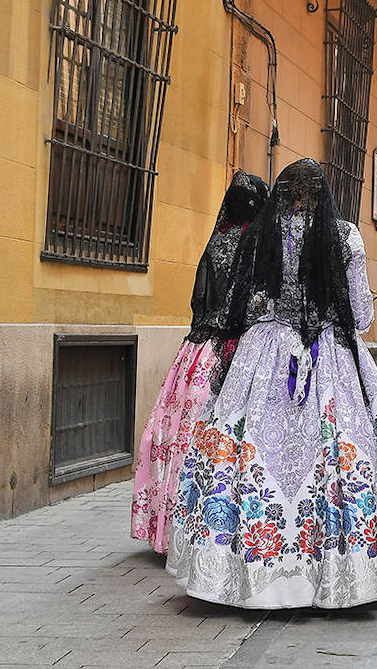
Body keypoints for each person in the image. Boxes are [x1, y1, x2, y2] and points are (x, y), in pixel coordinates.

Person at [167, 159, 377, 609]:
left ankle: (248, 572)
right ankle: (342, 572)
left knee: (244, 451)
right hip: (331, 359)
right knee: (340, 454)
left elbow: (242, 307)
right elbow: (360, 315)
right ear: (322, 194)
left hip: (263, 356)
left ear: (282, 195)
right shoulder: (344, 238)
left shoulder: (259, 235)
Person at [131, 171, 268, 554]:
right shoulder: (255, 247)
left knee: (177, 433)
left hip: (196, 352)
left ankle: (169, 526)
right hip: (235, 348)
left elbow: (200, 303)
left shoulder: (215, 244)